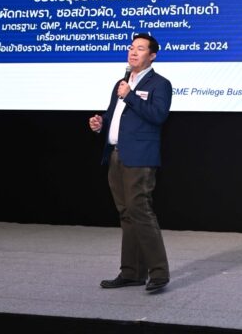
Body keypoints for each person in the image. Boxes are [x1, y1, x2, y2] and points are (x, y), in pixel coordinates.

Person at [88, 32, 172, 292]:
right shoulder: (122, 82)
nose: (133, 52)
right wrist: (101, 124)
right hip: (116, 155)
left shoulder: (160, 84)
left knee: (141, 211)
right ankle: (132, 272)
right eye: (132, 47)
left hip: (140, 157)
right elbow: (115, 116)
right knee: (126, 213)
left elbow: (158, 116)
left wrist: (131, 95)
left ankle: (159, 273)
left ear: (152, 55)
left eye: (140, 49)